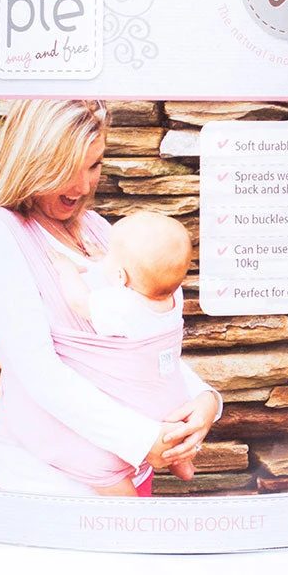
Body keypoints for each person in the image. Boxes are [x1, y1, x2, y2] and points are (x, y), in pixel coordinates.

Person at [0, 99, 220, 496]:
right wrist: (144, 439)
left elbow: (138, 342)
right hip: (50, 486)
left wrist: (203, 399)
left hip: (132, 466)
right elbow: (37, 371)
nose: (84, 186)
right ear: (32, 161)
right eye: (68, 168)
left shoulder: (98, 229)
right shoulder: (2, 231)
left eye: (93, 165)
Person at [51, 210, 200, 491]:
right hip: (173, 396)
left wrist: (66, 270)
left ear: (120, 275)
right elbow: (129, 280)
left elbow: (81, 302)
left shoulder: (123, 307)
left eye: (110, 255)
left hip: (136, 401)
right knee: (173, 434)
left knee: (105, 463)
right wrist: (104, 262)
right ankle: (182, 463)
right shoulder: (172, 298)